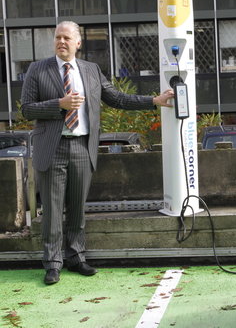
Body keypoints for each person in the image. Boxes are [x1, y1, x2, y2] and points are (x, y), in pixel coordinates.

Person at [21, 21, 174, 285]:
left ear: (78, 43)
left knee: (78, 208)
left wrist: (153, 101)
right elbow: (26, 109)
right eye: (58, 37)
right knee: (53, 211)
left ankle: (76, 257)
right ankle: (52, 263)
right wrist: (59, 104)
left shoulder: (91, 70)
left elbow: (117, 98)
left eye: (67, 38)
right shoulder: (37, 69)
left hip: (82, 146)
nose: (61, 42)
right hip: (51, 148)